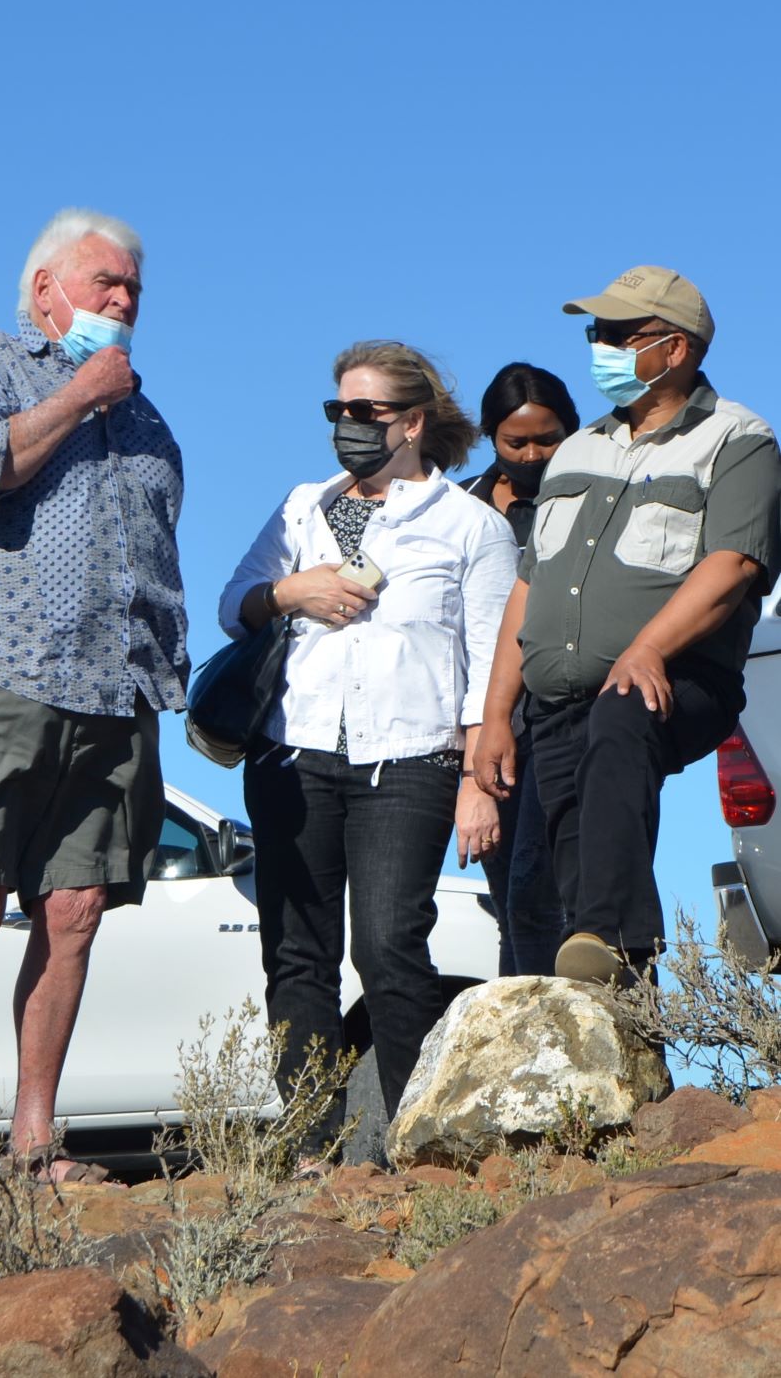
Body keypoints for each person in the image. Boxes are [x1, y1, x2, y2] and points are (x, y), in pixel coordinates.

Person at [0, 208, 188, 1180]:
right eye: (105, 281)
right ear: (45, 291)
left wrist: (161, 676)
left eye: (134, 288)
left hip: (112, 693)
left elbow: (154, 557)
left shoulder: (148, 422)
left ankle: (34, 1140)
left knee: (76, 907)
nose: (124, 300)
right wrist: (79, 395)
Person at [218, 341, 517, 1159]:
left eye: (365, 412)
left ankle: (417, 1141)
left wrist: (475, 783)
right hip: (293, 752)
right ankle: (311, 1149)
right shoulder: (301, 507)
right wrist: (289, 590)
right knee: (295, 956)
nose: (346, 426)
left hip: (410, 760)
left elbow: (490, 662)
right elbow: (232, 604)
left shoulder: (470, 526)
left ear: (412, 422)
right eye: (337, 412)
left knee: (388, 946)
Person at [474, 267, 781, 985]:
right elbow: (530, 584)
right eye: (595, 333)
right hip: (555, 702)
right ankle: (620, 1033)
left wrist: (645, 649)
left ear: (672, 349)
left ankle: (612, 937)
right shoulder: (577, 449)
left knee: (620, 719)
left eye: (616, 335)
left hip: (672, 679)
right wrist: (493, 715)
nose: (599, 347)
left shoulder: (737, 439)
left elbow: (732, 565)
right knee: (570, 877)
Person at [460, 363, 579, 976]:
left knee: (550, 890)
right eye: (516, 442)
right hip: (487, 723)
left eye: (547, 438)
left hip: (564, 712)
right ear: (490, 437)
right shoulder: (464, 507)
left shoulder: (589, 499)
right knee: (512, 896)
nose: (533, 454)